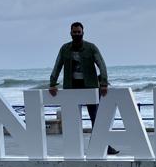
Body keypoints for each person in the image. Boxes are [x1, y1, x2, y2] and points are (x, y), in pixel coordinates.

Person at [49, 22, 119, 155]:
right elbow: (57, 65)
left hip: (90, 86)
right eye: (74, 32)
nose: (76, 34)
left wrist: (103, 83)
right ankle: (73, 148)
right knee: (72, 119)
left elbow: (101, 65)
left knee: (96, 118)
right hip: (71, 87)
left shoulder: (91, 48)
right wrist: (52, 83)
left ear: (83, 32)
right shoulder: (65, 49)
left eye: (78, 32)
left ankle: (104, 146)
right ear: (70, 33)